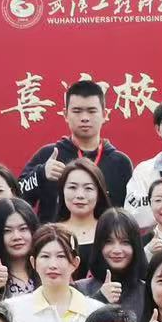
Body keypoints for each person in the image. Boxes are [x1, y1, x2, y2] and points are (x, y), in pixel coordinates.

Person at [21, 79, 134, 224]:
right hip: (55, 238)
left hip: (106, 238)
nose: (84, 118)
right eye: (77, 111)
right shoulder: (49, 155)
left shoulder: (120, 163)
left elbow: (131, 215)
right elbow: (16, 196)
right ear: (65, 115)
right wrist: (41, 174)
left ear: (105, 114)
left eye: (91, 111)